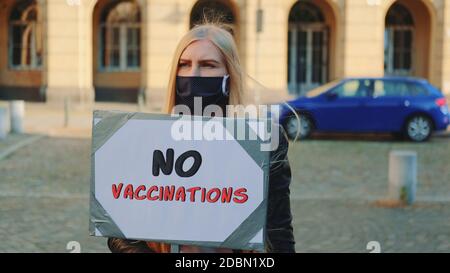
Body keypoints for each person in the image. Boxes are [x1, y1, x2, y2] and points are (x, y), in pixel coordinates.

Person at [107, 22, 295, 253]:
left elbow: (279, 233)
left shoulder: (263, 142)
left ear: (229, 75)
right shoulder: (148, 137)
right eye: (184, 65)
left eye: (208, 65)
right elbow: (119, 232)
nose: (193, 75)